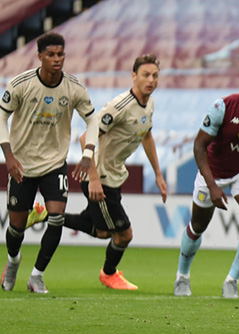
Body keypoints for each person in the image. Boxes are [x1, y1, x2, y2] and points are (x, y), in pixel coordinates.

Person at [56, 54, 167, 290]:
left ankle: (48, 215)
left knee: (102, 229)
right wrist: (94, 178)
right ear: (133, 76)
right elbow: (86, 136)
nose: (151, 80)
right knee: (123, 234)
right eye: (146, 75)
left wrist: (158, 174)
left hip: (113, 176)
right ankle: (109, 274)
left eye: (155, 76)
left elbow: (146, 135)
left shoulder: (150, 103)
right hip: (100, 178)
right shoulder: (119, 107)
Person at [0, 32, 100, 294]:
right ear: (40, 56)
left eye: (61, 54)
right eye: (52, 55)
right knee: (16, 229)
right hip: (22, 164)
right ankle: (13, 261)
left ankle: (37, 276)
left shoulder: (74, 87)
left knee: (56, 218)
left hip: (55, 163)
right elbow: (1, 117)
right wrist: (8, 155)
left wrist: (88, 154)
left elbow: (93, 120)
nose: (57, 59)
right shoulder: (21, 84)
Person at [173, 66, 239, 297]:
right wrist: (213, 186)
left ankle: (232, 281)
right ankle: (182, 277)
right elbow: (199, 146)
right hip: (214, 172)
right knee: (198, 226)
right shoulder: (223, 107)